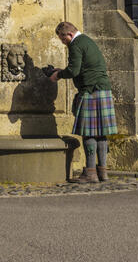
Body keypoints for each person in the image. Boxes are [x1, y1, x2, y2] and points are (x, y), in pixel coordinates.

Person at [50, 21, 117, 182]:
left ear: (69, 35)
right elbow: (82, 67)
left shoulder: (75, 45)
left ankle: (90, 173)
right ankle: (102, 172)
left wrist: (57, 75)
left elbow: (74, 70)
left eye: (62, 39)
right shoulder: (86, 40)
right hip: (103, 90)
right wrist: (62, 70)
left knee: (88, 134)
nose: (62, 42)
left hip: (91, 91)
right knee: (101, 134)